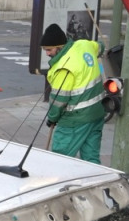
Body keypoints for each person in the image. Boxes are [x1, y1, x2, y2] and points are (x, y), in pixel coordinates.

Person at [40, 23, 107, 164]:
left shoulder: (64, 67)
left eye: (49, 49)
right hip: (96, 114)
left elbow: (59, 100)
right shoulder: (84, 45)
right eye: (45, 50)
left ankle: (57, 184)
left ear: (60, 46)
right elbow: (100, 47)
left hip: (74, 119)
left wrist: (52, 118)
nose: (47, 53)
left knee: (60, 159)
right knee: (91, 159)